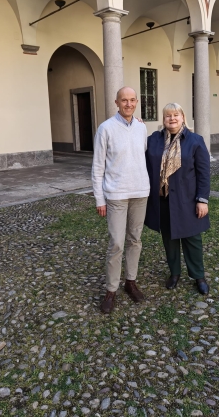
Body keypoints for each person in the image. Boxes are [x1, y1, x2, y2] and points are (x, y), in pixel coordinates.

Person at [92, 87, 150, 314]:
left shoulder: (142, 127)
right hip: (115, 195)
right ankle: (111, 289)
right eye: (124, 100)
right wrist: (100, 199)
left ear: (137, 102)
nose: (128, 104)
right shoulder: (105, 128)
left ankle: (131, 281)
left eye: (132, 100)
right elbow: (98, 167)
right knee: (116, 243)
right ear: (116, 102)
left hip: (140, 192)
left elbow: (142, 156)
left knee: (135, 239)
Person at [145, 103, 210, 294]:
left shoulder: (195, 140)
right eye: (167, 116)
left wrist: (202, 199)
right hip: (163, 200)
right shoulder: (154, 140)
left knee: (192, 240)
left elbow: (204, 173)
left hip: (188, 201)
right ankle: (174, 273)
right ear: (163, 120)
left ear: (183, 117)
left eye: (176, 115)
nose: (172, 119)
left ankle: (198, 276)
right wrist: (138, 124)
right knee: (170, 240)